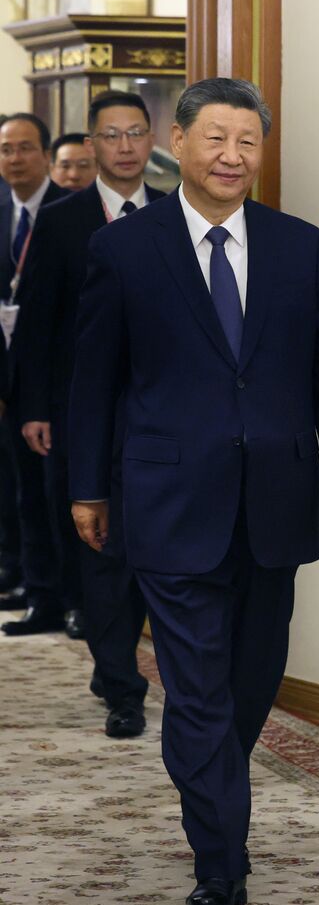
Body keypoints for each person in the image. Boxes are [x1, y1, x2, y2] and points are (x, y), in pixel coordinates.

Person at [68, 77, 319, 905]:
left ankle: (215, 792)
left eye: (249, 142)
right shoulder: (127, 250)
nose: (233, 156)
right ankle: (220, 858)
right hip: (167, 500)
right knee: (196, 688)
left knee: (251, 677)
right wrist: (87, 485)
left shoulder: (299, 245)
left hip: (273, 500)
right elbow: (94, 381)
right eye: (217, 139)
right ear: (181, 142)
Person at [15, 91, 164, 738]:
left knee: (156, 550)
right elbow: (38, 325)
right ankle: (122, 686)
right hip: (86, 413)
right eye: (112, 135)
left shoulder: (176, 212)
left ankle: (126, 669)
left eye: (136, 133)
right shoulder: (64, 219)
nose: (126, 146)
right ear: (93, 144)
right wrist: (34, 409)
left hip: (164, 416)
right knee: (99, 550)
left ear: (154, 139)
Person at [0, 113, 71, 636]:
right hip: (8, 375)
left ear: (45, 155)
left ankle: (71, 597)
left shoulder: (70, 212)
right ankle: (38, 591)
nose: (14, 159)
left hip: (54, 376)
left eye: (25, 149)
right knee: (21, 490)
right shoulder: (2, 209)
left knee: (57, 492)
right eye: (5, 150)